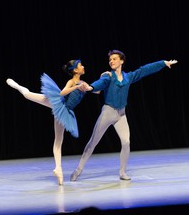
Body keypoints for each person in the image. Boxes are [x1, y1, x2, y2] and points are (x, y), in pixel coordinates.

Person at [70, 50, 178, 181]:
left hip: (121, 114)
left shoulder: (128, 77)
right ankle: (78, 170)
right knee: (93, 142)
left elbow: (144, 70)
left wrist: (163, 63)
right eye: (110, 59)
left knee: (126, 142)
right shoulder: (108, 76)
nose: (111, 61)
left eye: (114, 59)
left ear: (121, 61)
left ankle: (122, 172)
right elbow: (99, 84)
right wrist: (90, 88)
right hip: (108, 112)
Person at [6, 59, 90, 186]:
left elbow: (95, 89)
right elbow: (62, 92)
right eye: (80, 65)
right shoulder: (72, 81)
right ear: (75, 70)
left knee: (58, 140)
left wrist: (99, 82)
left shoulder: (83, 82)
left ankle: (58, 169)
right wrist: (77, 87)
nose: (83, 66)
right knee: (28, 95)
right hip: (58, 102)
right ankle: (17, 86)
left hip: (65, 112)